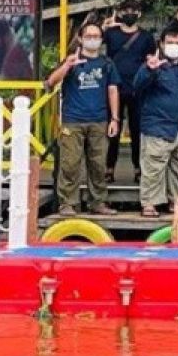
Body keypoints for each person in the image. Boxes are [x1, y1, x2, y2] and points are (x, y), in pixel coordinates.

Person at [44, 23, 120, 217]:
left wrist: (115, 118)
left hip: (99, 120)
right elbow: (50, 82)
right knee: (70, 164)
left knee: (99, 165)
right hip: (73, 120)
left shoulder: (107, 63)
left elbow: (113, 90)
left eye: (96, 36)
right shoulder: (70, 61)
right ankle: (67, 203)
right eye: (89, 36)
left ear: (101, 40)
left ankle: (98, 202)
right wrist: (67, 66)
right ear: (80, 38)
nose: (93, 39)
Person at [133, 26, 178, 217]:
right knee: (153, 168)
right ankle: (149, 204)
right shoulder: (153, 65)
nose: (174, 46)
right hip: (157, 127)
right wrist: (149, 69)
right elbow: (137, 86)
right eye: (170, 42)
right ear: (161, 44)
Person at [102, 0, 157, 183]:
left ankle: (138, 168)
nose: (129, 13)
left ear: (139, 13)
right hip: (114, 89)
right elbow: (83, 42)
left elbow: (151, 61)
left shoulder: (147, 37)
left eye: (133, 10)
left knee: (137, 131)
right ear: (119, 12)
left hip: (137, 90)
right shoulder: (110, 34)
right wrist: (102, 27)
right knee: (112, 130)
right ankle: (109, 168)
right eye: (125, 10)